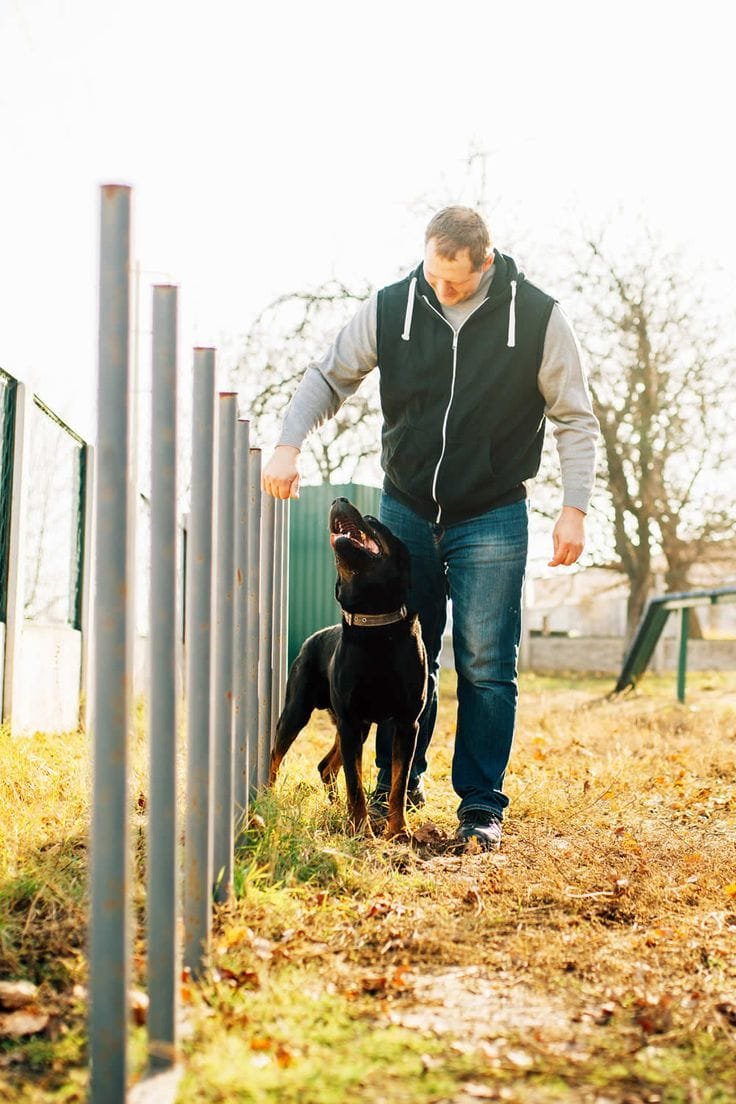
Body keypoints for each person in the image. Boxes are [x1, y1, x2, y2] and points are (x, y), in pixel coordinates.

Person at [262, 206, 598, 850]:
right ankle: (398, 786)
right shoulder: (393, 306)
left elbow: (574, 417)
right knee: (397, 649)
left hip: (491, 512)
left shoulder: (537, 316)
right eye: (432, 274)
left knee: (486, 663)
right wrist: (288, 444)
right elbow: (329, 376)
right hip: (407, 509)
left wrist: (574, 508)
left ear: (486, 263)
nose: (440, 288)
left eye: (455, 280)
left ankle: (481, 806)